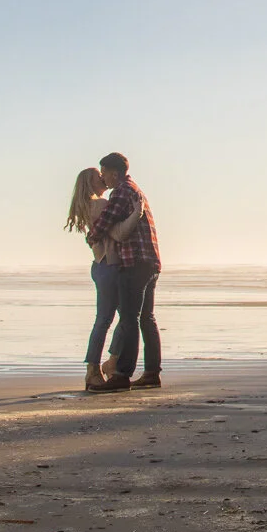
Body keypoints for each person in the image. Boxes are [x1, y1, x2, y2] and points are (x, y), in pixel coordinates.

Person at [90, 151, 161, 391]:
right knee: (146, 318)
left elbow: (106, 222)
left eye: (104, 174)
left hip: (134, 263)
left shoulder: (121, 192)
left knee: (130, 318)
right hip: (150, 262)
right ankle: (152, 372)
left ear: (114, 173)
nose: (103, 179)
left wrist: (91, 236)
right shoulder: (135, 190)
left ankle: (122, 375)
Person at [64, 167, 119, 387]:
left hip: (100, 265)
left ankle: (107, 363)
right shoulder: (100, 205)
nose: (104, 179)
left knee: (114, 318)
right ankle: (96, 368)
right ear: (91, 183)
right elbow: (118, 231)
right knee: (109, 319)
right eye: (100, 178)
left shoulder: (91, 205)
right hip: (107, 265)